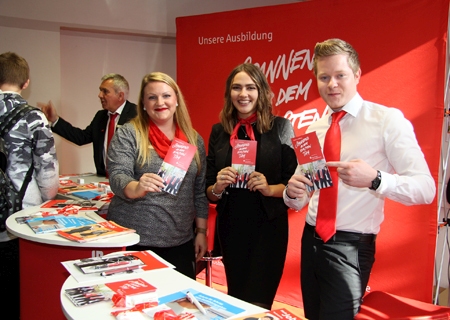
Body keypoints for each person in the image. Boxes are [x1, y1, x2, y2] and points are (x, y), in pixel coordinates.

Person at [283, 38, 436, 320]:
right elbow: (301, 197)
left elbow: (426, 189)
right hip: (311, 240)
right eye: (324, 77)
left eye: (340, 75)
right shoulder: (315, 128)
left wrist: (376, 179)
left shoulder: (387, 120)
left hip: (350, 248)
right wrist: (292, 193)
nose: (332, 84)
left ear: (357, 75)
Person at [205, 63, 297, 309]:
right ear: (229, 93)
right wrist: (218, 186)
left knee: (259, 301)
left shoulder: (281, 127)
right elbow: (209, 190)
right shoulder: (219, 131)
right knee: (235, 297)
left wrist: (269, 188)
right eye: (236, 88)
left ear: (262, 92)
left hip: (268, 228)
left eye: (250, 87)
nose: (243, 94)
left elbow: (293, 182)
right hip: (232, 226)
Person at [106, 72, 208, 279]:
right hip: (135, 238)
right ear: (143, 103)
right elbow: (117, 176)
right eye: (152, 97)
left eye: (166, 96)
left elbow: (199, 191)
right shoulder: (129, 133)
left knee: (177, 305)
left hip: (180, 240)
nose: (160, 102)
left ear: (176, 100)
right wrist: (136, 186)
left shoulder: (193, 140)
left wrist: (201, 232)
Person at [0, 51, 59, 318]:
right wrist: (48, 198)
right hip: (18, 214)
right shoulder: (33, 117)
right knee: (13, 285)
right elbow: (47, 172)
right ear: (26, 83)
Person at [38, 73, 137, 176]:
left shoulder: (137, 116)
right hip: (104, 182)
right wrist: (55, 119)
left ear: (120, 95)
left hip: (130, 181)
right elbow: (81, 137)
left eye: (105, 91)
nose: (100, 95)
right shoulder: (100, 116)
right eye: (100, 90)